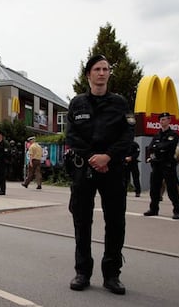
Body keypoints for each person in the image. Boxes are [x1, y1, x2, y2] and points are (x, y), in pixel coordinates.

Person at [65, 55, 134, 295]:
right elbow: (71, 136)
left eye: (106, 69)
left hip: (113, 169)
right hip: (84, 169)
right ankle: (82, 272)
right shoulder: (77, 104)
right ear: (88, 74)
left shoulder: (120, 103)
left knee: (115, 222)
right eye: (97, 69)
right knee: (82, 221)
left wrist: (108, 157)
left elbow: (127, 136)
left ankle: (112, 275)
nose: (102, 73)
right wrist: (93, 158)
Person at [144, 112, 179, 220]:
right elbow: (151, 147)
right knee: (154, 189)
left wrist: (158, 147)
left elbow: (168, 146)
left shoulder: (173, 135)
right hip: (156, 165)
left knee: (172, 189)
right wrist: (159, 148)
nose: (162, 121)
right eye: (161, 120)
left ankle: (177, 211)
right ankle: (153, 209)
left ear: (169, 121)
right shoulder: (157, 134)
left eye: (164, 119)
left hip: (168, 165)